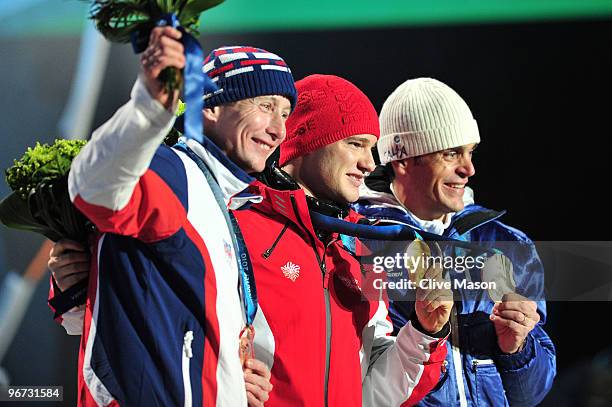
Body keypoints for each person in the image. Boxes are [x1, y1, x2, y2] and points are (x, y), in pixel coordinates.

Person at [51, 73, 454, 406]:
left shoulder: (359, 251)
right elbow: (149, 316)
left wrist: (423, 333)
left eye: (372, 148)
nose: (370, 163)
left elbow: (371, 394)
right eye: (356, 145)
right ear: (307, 144)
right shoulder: (234, 221)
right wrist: (221, 382)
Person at [62, 26, 297, 406]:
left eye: (285, 114)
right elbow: (92, 187)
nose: (279, 130)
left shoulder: (224, 200)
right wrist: (149, 105)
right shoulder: (175, 174)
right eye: (266, 106)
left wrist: (233, 386)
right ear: (211, 106)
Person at [354, 77, 557, 406]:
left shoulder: (505, 243)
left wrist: (517, 350)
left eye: (470, 152)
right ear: (403, 159)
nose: (470, 169)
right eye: (451, 153)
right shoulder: (354, 243)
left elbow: (530, 395)